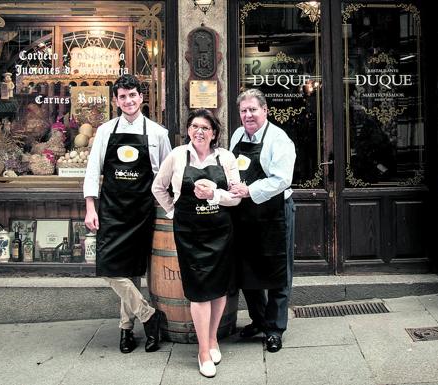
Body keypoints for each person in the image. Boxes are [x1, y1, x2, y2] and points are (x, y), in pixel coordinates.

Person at [83, 74, 172, 353]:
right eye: (122, 96)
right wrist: (90, 207)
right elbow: (92, 172)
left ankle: (125, 330)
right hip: (112, 209)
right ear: (115, 100)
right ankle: (149, 315)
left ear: (141, 98)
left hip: (143, 210)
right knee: (109, 268)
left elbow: (167, 176)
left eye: (132, 95)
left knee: (132, 271)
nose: (128, 101)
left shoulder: (158, 133)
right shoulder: (105, 131)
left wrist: (168, 208)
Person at [151, 109, 241, 378]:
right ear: (188, 130)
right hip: (189, 233)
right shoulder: (178, 155)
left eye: (204, 127)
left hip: (220, 232)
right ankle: (204, 351)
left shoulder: (225, 158)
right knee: (199, 290)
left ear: (214, 132)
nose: (198, 131)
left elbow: (236, 197)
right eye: (193, 126)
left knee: (219, 290)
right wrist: (173, 211)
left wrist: (215, 194)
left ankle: (212, 338)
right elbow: (158, 187)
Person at [228, 89, 296, 353]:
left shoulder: (279, 139)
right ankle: (259, 320)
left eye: (253, 110)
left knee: (278, 271)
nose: (248, 115)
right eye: (243, 111)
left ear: (265, 110)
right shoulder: (237, 136)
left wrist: (249, 190)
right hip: (246, 215)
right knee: (248, 270)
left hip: (275, 213)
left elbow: (282, 179)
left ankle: (275, 329)